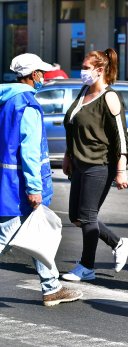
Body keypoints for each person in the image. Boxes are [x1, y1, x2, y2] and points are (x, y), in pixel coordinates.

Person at [0, 53, 82, 306]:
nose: (43, 78)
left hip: (8, 181)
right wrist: (35, 188)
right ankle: (51, 287)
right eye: (42, 73)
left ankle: (51, 287)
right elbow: (30, 151)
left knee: (37, 235)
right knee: (5, 235)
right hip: (20, 186)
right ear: (33, 74)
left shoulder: (6, 100)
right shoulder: (27, 104)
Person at [61, 48, 128, 281]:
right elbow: (73, 126)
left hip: (100, 164)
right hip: (79, 162)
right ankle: (118, 243)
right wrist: (67, 155)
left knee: (88, 216)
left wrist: (121, 170)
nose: (82, 71)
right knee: (76, 216)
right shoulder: (84, 92)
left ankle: (87, 266)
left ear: (100, 70)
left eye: (85, 68)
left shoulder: (109, 97)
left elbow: (121, 137)